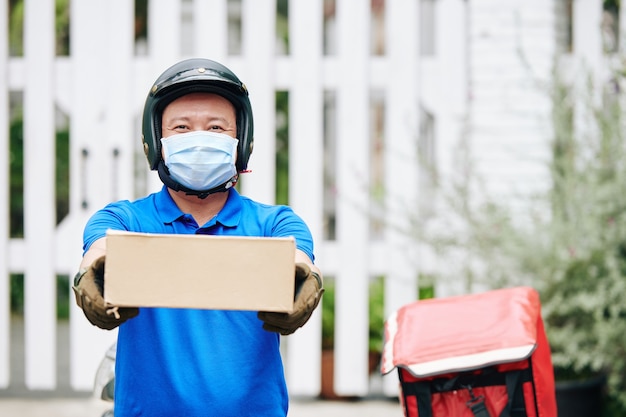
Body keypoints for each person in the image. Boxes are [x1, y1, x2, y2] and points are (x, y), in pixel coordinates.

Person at [72, 58, 324, 417]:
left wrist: (306, 281)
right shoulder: (125, 219)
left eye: (216, 127)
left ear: (242, 141)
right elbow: (99, 250)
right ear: (156, 140)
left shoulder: (276, 224)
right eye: (182, 127)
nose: (199, 139)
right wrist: (91, 276)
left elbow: (299, 260)